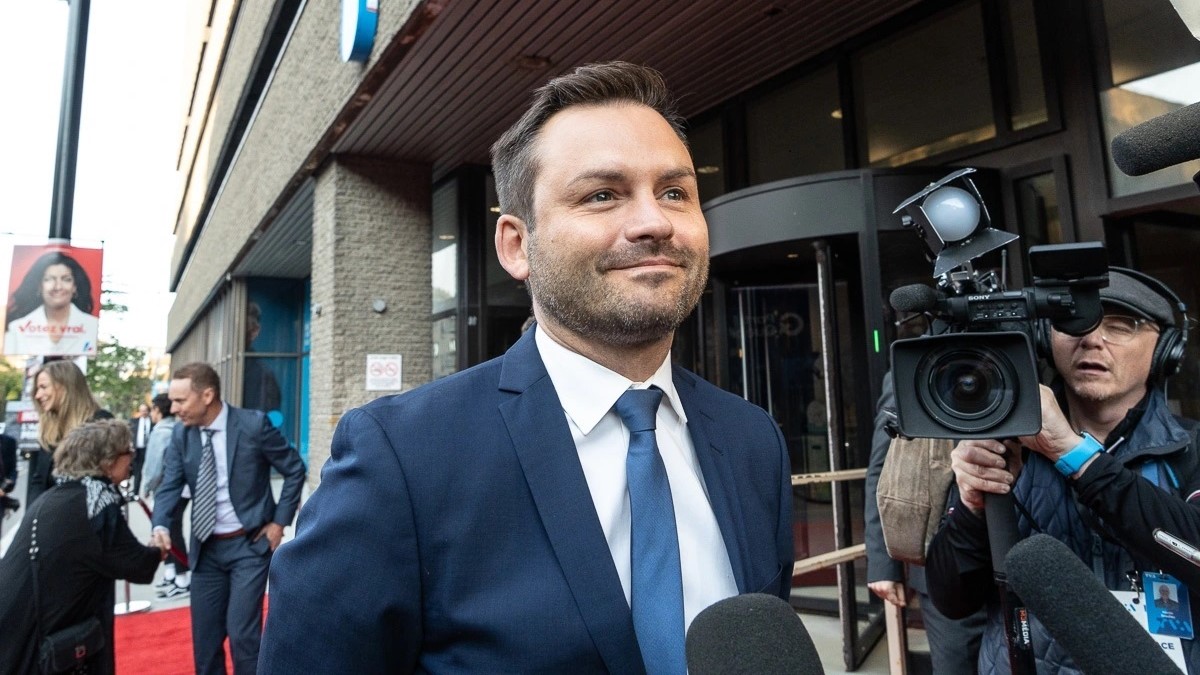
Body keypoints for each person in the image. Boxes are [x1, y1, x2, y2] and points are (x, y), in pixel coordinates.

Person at [258, 61, 794, 674]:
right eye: (602, 195)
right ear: (517, 245)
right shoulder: (401, 457)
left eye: (675, 192)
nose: (655, 222)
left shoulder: (753, 441)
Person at [926, 267, 1200, 674]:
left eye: (1119, 326)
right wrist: (971, 509)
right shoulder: (1004, 447)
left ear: (1166, 349)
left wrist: (1075, 455)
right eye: (1073, 324)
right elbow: (952, 599)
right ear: (1045, 339)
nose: (1092, 339)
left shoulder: (1192, 447)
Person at [151, 362, 306, 675]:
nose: (174, 408)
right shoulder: (182, 434)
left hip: (249, 546)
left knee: (243, 637)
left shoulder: (253, 425)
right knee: (205, 643)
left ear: (207, 395)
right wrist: (160, 524)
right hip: (205, 550)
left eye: (180, 400)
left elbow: (294, 469)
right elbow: (170, 485)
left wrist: (279, 523)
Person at [0, 419, 165, 674]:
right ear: (108, 462)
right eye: (128, 452)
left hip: (16, 623)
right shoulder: (97, 501)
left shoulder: (54, 497)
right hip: (36, 638)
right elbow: (137, 565)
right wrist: (158, 549)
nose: (132, 458)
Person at [865, 371, 986, 672]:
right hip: (946, 559)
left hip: (1024, 548)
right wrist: (883, 563)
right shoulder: (915, 366)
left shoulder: (1027, 353)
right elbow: (883, 465)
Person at [25, 360, 113, 506]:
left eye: (43, 387)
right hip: (51, 515)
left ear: (65, 386)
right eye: (37, 389)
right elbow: (39, 481)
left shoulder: (101, 424)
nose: (38, 395)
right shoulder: (49, 431)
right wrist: (32, 516)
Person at [141, 393, 191, 599]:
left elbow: (154, 467)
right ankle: (172, 573)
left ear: (158, 410)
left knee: (170, 530)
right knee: (168, 529)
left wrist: (146, 487)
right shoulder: (178, 429)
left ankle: (182, 578)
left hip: (167, 489)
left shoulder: (161, 432)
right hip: (181, 488)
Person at [4, 251, 99, 356]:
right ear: (39, 286)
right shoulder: (16, 328)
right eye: (49, 279)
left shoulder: (92, 325)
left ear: (75, 287)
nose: (58, 287)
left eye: (66, 279)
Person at [130, 402, 152, 494]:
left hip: (150, 450)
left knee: (149, 471)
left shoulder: (153, 422)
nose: (143, 412)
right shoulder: (134, 422)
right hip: (138, 450)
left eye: (145, 410)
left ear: (148, 411)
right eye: (141, 411)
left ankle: (148, 490)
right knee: (137, 472)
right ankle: (135, 492)